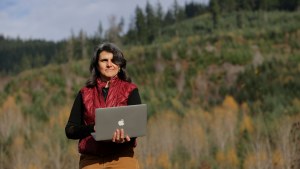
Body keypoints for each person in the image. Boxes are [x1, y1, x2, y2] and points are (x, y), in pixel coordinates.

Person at [65, 42, 142, 169]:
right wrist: (92, 128)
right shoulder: (84, 93)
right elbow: (70, 130)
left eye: (114, 60)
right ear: (96, 64)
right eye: (104, 60)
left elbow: (137, 125)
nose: (109, 64)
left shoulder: (130, 89)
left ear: (120, 64)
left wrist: (123, 137)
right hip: (91, 160)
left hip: (122, 158)